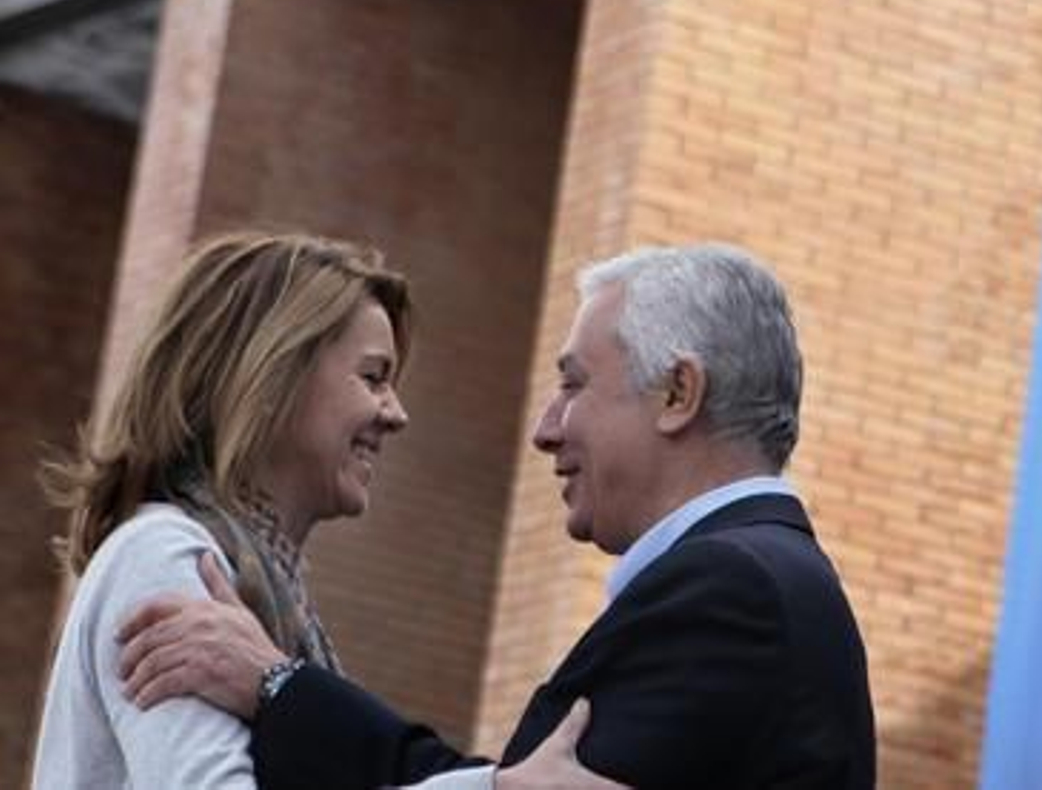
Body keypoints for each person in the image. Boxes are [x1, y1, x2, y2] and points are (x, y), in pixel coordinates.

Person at [118, 242, 877, 789]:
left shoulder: (730, 587)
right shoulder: (762, 581)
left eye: (574, 385)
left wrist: (279, 686)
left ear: (678, 392)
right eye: (374, 377)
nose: (547, 427)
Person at [34, 230, 615, 790]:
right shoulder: (160, 553)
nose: (395, 414)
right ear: (269, 378)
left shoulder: (256, 587)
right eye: (373, 377)